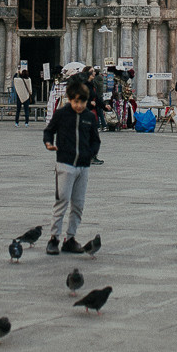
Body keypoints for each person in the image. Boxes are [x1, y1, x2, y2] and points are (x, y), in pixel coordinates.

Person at [43, 76, 101, 255]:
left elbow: (95, 140)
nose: (79, 106)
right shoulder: (61, 114)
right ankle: (54, 238)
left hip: (83, 167)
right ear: (69, 99)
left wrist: (89, 154)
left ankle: (70, 238)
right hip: (65, 165)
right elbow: (48, 131)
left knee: (78, 204)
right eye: (76, 102)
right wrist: (48, 143)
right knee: (62, 202)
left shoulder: (89, 117)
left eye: (82, 102)